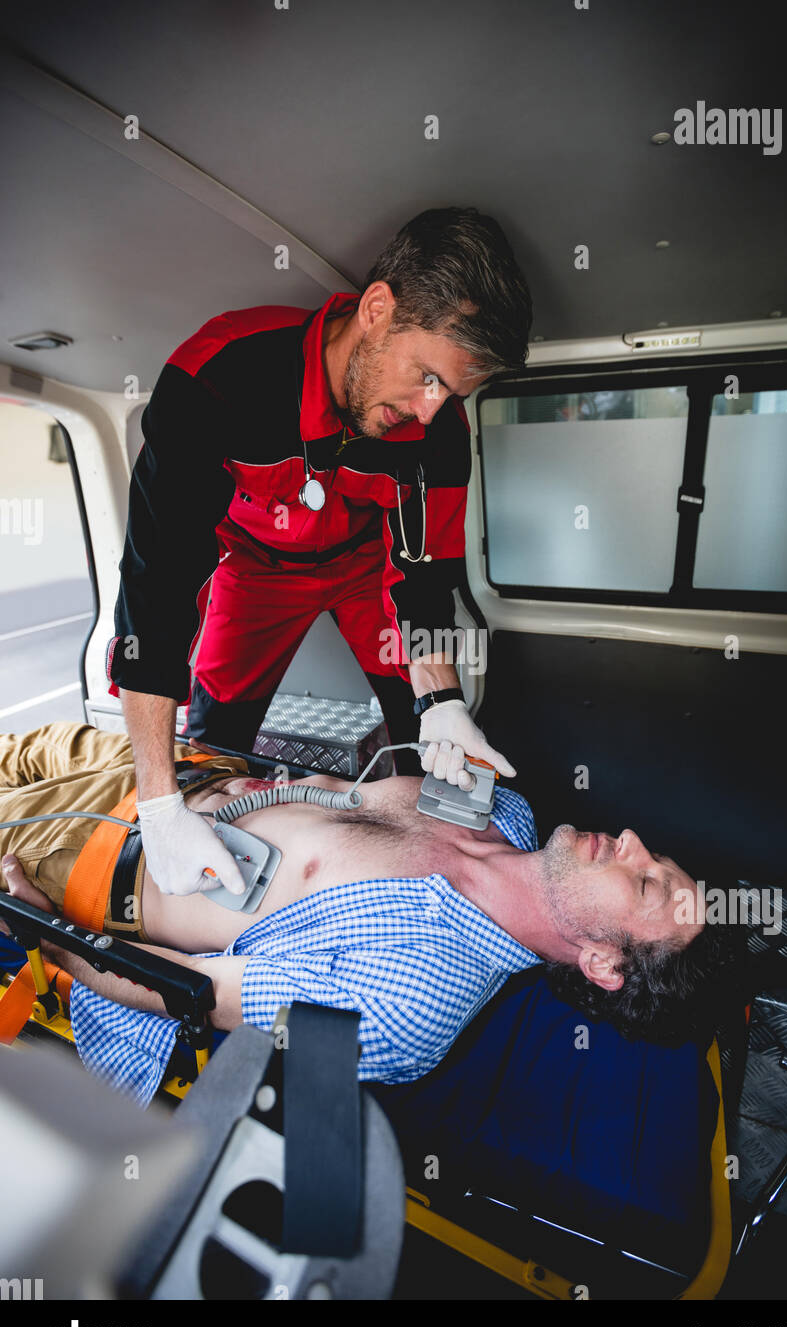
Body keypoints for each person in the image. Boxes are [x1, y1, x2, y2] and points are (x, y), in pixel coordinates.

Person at [107, 206, 533, 904]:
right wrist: (156, 802)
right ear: (376, 309)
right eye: (426, 377)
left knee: (420, 729)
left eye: (451, 394)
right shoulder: (217, 378)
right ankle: (194, 856)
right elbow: (155, 587)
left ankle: (411, 867)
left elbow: (423, 584)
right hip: (255, 572)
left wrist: (444, 700)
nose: (430, 413)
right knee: (214, 736)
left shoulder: (438, 436)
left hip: (369, 573)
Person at [0, 722, 729, 1107]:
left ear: (603, 963)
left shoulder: (414, 1000)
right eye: (655, 856)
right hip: (166, 768)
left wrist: (48, 937)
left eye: (645, 885)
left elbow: (190, 988)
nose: (634, 845)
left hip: (92, 855)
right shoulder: (505, 807)